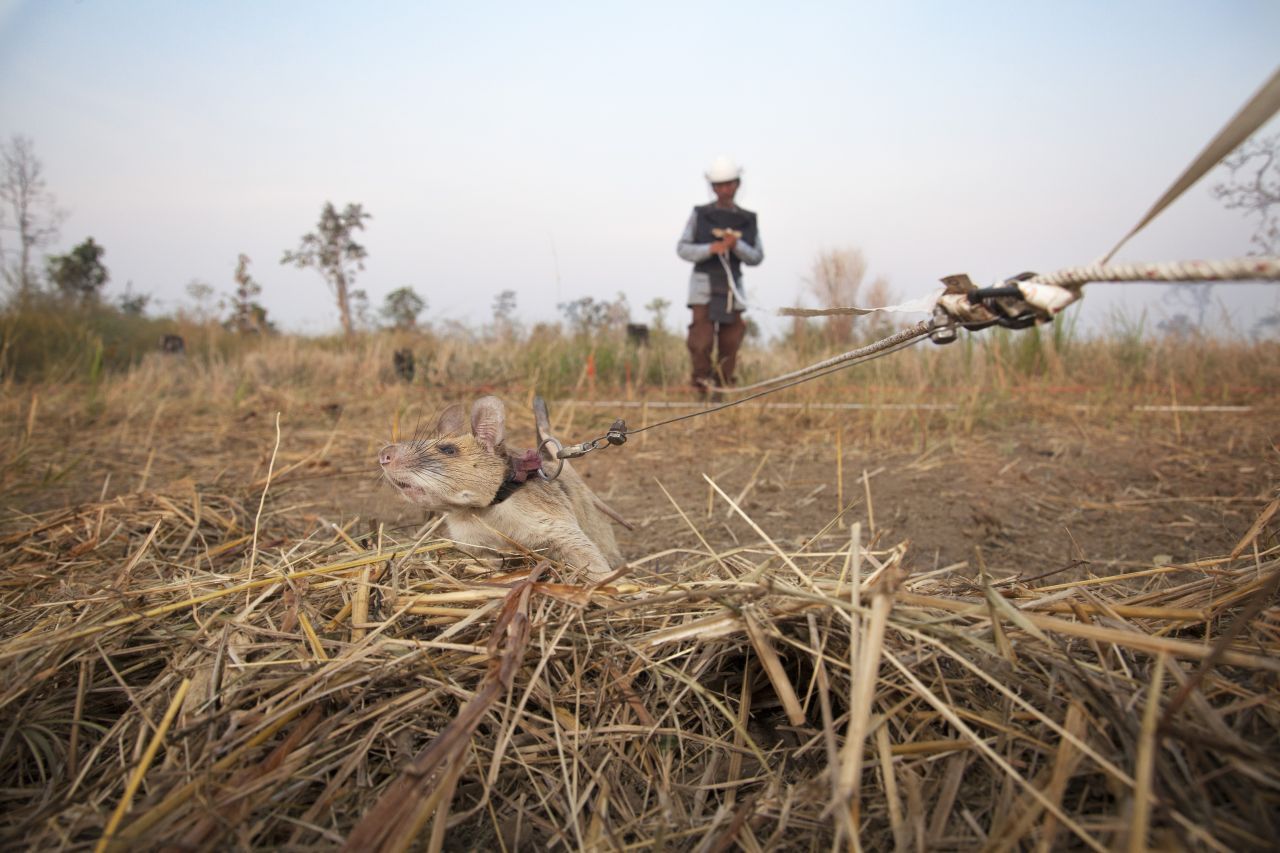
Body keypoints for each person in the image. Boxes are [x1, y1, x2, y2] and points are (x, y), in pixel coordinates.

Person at [676, 156, 764, 395]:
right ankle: (701, 385)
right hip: (703, 286)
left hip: (732, 288)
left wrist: (736, 245)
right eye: (720, 185)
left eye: (730, 184)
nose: (725, 189)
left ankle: (723, 388)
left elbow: (757, 256)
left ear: (737, 184)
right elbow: (682, 248)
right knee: (701, 341)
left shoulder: (748, 219)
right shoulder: (700, 215)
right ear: (713, 187)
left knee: (731, 340)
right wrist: (710, 249)